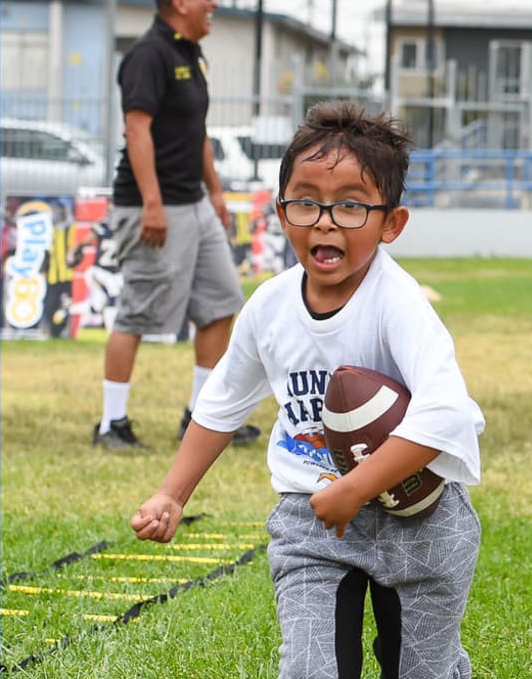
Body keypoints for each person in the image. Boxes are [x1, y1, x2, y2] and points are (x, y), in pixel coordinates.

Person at [131, 101, 485, 678]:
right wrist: (172, 494)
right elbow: (221, 404)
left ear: (391, 223)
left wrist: (360, 486)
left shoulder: (398, 304)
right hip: (312, 520)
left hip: (422, 518)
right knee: (310, 668)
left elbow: (446, 415)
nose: (325, 219)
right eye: (307, 201)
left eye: (350, 205)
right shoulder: (269, 307)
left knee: (424, 669)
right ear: (281, 211)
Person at [96, 0, 257, 451]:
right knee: (138, 313)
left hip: (193, 203)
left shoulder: (192, 53)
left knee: (222, 302)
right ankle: (111, 425)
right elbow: (137, 130)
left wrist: (214, 191)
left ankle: (200, 416)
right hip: (153, 205)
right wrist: (151, 203)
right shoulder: (148, 55)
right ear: (178, 2)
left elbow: (197, 130)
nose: (214, 4)